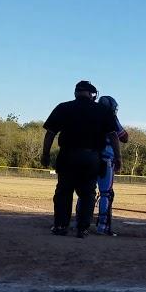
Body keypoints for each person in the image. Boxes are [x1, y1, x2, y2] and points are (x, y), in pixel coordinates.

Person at [41, 80, 122, 239]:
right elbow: (114, 135)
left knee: (64, 191)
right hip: (92, 157)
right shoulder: (102, 110)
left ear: (75, 93)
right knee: (88, 194)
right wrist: (118, 157)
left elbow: (50, 133)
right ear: (92, 94)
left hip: (68, 155)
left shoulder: (63, 107)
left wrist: (45, 154)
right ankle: (82, 229)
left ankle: (61, 226)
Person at [75, 95, 128, 237]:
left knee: (86, 191)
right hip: (106, 159)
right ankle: (103, 227)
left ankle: (78, 223)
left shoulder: (90, 115)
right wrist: (118, 157)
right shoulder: (110, 117)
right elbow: (123, 137)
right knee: (106, 193)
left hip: (89, 157)